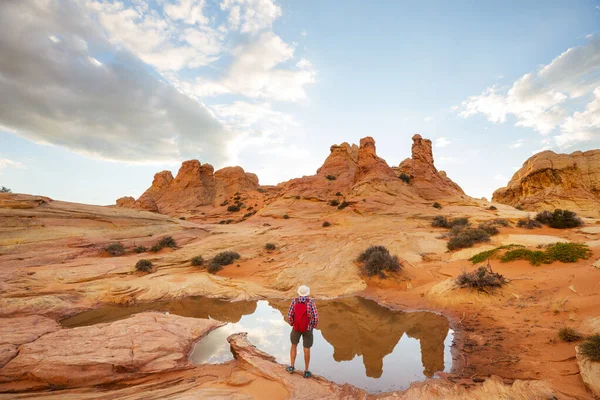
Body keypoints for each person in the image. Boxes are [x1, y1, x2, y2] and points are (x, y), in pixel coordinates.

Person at [286, 285, 319, 378]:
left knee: (293, 345)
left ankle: (291, 367)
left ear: (299, 292)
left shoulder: (294, 301)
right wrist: (313, 326)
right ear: (307, 293)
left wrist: (293, 324)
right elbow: (316, 317)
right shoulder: (311, 302)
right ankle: (306, 371)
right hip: (308, 328)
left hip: (296, 327)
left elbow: (290, 314)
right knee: (307, 349)